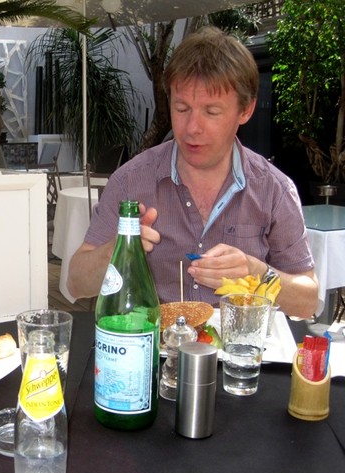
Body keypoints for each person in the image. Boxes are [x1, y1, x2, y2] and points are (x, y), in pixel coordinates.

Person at [67, 27, 318, 319]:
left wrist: (257, 274)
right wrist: (121, 249)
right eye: (182, 108)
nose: (192, 128)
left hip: (241, 357)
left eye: (211, 112)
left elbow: (308, 300)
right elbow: (76, 283)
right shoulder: (131, 181)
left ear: (246, 110)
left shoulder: (273, 189)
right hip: (152, 353)